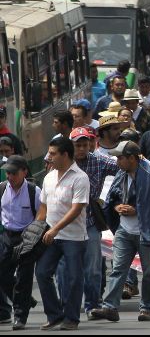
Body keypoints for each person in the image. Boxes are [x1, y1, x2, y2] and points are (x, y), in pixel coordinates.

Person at [91, 141, 150, 323]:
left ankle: (146, 309)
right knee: (118, 269)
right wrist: (118, 207)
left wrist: (136, 211)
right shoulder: (121, 174)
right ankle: (110, 307)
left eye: (120, 157)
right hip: (124, 230)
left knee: (148, 272)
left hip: (145, 232)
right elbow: (113, 198)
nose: (117, 161)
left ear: (132, 158)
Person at [35, 137, 90, 331]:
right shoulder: (49, 176)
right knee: (42, 272)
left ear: (65, 154)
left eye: (53, 153)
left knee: (74, 278)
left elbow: (77, 209)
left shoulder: (80, 177)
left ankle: (71, 318)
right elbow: (43, 206)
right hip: (51, 235)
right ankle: (55, 315)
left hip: (73, 237)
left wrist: (56, 228)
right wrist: (35, 228)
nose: (49, 157)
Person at [68, 127, 119, 320]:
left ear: (91, 144)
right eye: (77, 145)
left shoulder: (99, 161)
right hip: (67, 223)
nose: (81, 148)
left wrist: (113, 197)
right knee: (67, 269)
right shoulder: (63, 162)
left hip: (90, 221)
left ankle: (92, 305)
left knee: (93, 269)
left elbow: (123, 168)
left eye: (84, 144)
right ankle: (67, 305)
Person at [0, 156, 40, 330]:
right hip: (7, 237)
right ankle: (25, 299)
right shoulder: (1, 189)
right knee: (2, 274)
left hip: (27, 237)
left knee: (24, 278)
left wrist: (32, 237)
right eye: (8, 173)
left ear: (24, 172)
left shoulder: (34, 191)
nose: (10, 177)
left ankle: (20, 316)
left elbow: (42, 215)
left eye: (14, 173)